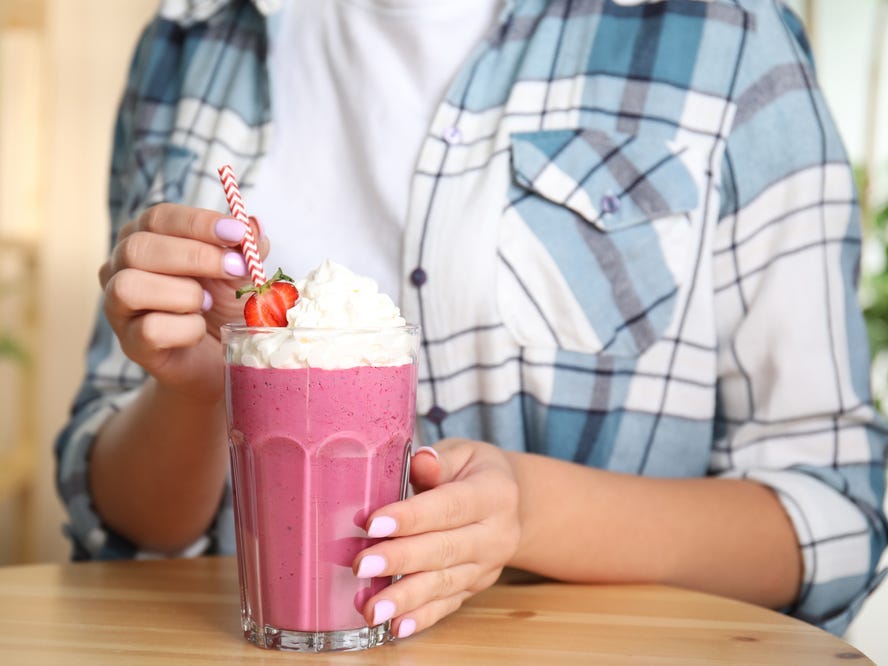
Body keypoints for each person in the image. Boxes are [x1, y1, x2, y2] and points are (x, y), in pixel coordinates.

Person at [56, 0, 887, 639]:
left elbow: (836, 513)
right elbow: (124, 522)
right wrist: (202, 392)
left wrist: (528, 511)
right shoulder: (191, 36)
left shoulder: (725, 34)